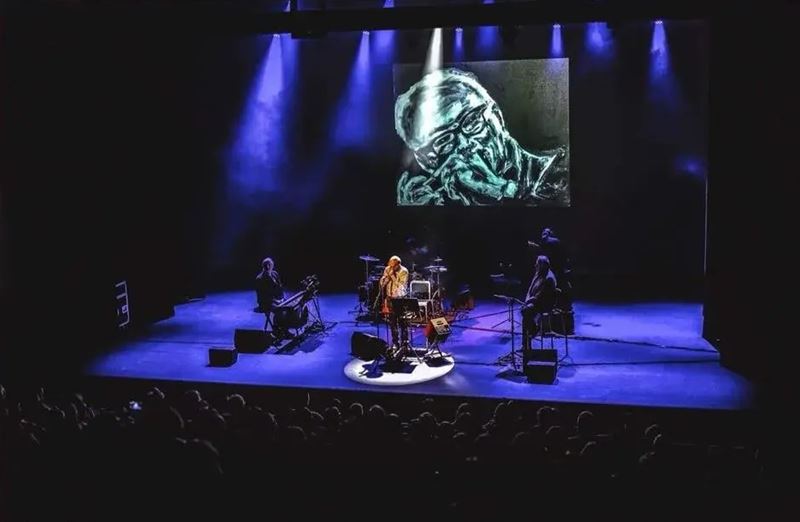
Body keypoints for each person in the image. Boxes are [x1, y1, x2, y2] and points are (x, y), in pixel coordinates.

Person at [394, 68, 569, 206]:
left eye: (471, 122)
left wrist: (500, 189)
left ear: (497, 117)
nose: (465, 145)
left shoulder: (559, 176)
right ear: (426, 162)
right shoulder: (438, 200)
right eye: (444, 140)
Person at [528, 227, 572, 311]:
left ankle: (547, 305)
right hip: (558, 266)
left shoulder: (545, 241)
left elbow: (542, 253)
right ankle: (563, 305)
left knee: (546, 285)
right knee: (560, 286)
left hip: (551, 266)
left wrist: (534, 246)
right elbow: (563, 254)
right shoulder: (557, 241)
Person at [522, 256, 557, 350]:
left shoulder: (549, 278)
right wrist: (527, 300)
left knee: (527, 312)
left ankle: (527, 340)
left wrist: (530, 301)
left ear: (542, 265)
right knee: (525, 312)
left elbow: (541, 295)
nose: (535, 265)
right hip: (535, 301)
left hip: (544, 303)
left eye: (537, 264)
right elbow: (530, 289)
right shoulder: (538, 274)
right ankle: (529, 337)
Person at [380, 255, 409, 348]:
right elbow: (382, 283)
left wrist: (392, 276)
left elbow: (401, 286)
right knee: (392, 322)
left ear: (398, 264)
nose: (391, 268)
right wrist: (384, 279)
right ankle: (395, 342)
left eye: (393, 266)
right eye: (390, 265)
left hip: (400, 298)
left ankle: (404, 343)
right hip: (390, 298)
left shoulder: (403, 271)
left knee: (402, 322)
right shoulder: (387, 269)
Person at [254, 257, 284, 324]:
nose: (269, 267)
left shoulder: (275, 274)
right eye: (267, 266)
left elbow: (280, 287)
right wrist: (275, 301)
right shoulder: (260, 278)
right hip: (266, 303)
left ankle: (286, 324)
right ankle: (278, 326)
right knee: (280, 309)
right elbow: (263, 296)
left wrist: (281, 298)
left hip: (277, 299)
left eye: (271, 265)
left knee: (289, 306)